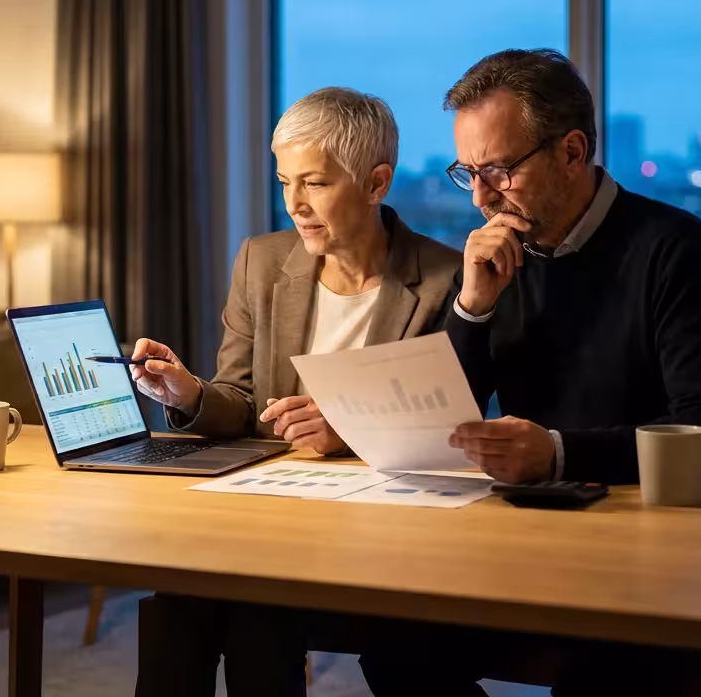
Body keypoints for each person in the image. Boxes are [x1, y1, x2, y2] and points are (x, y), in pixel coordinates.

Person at [356, 48, 701, 696]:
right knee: (395, 640)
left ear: (572, 152)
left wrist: (559, 454)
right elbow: (440, 422)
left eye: (500, 171)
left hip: (659, 562)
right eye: (468, 172)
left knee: (605, 675)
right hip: (528, 548)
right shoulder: (497, 258)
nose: (481, 197)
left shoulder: (675, 249)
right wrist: (472, 306)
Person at [129, 86, 462, 697]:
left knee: (257, 611)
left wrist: (350, 429)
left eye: (315, 184)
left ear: (376, 182)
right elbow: (239, 399)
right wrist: (188, 394)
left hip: (384, 528)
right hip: (269, 513)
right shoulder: (261, 261)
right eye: (285, 182)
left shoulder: (447, 279)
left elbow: (454, 430)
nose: (295, 205)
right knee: (179, 602)